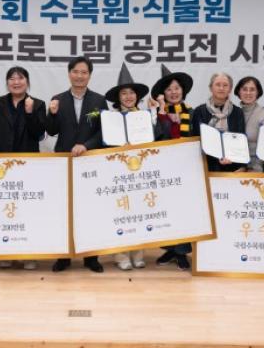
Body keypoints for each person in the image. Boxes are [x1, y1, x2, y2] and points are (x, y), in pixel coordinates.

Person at [45, 56, 108, 273]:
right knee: (63, 210)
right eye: (76, 72)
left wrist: (86, 145)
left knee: (91, 210)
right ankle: (64, 256)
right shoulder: (57, 99)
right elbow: (51, 130)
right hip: (64, 161)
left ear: (89, 75)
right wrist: (52, 113)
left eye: (84, 72)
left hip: (90, 161)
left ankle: (91, 257)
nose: (79, 76)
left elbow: (103, 131)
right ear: (69, 73)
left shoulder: (99, 101)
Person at [105, 63, 166, 271]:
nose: (128, 97)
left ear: (137, 96)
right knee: (121, 211)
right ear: (118, 97)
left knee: (140, 211)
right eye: (124, 93)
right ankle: (121, 255)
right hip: (119, 171)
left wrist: (155, 113)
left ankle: (138, 253)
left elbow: (157, 138)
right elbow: (106, 144)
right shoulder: (111, 118)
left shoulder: (145, 116)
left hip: (141, 170)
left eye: (131, 93)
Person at [0, 66, 46, 270]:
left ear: (27, 82)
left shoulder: (38, 104)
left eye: (20, 78)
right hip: (1, 166)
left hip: (27, 165)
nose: (16, 82)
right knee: (3, 210)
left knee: (27, 211)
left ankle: (29, 254)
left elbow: (39, 133)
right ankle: (6, 252)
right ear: (7, 83)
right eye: (12, 78)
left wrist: (29, 113)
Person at [150, 64, 194, 270]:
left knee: (184, 211)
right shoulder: (157, 113)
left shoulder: (192, 112)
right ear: (163, 94)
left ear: (182, 91)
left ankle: (182, 252)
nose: (174, 92)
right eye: (169, 89)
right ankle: (170, 249)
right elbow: (157, 136)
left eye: (177, 88)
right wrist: (163, 113)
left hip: (187, 169)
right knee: (166, 210)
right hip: (164, 169)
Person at [191, 72, 246, 172]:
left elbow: (240, 140)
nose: (221, 88)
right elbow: (197, 140)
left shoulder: (238, 112)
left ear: (230, 89)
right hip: (206, 166)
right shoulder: (199, 111)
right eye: (218, 85)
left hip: (232, 166)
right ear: (210, 88)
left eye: (225, 85)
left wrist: (233, 158)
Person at [234, 76, 264, 173]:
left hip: (255, 169)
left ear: (258, 93)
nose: (248, 93)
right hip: (234, 167)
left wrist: (254, 168)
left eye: (252, 90)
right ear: (239, 92)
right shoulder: (233, 112)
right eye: (244, 89)